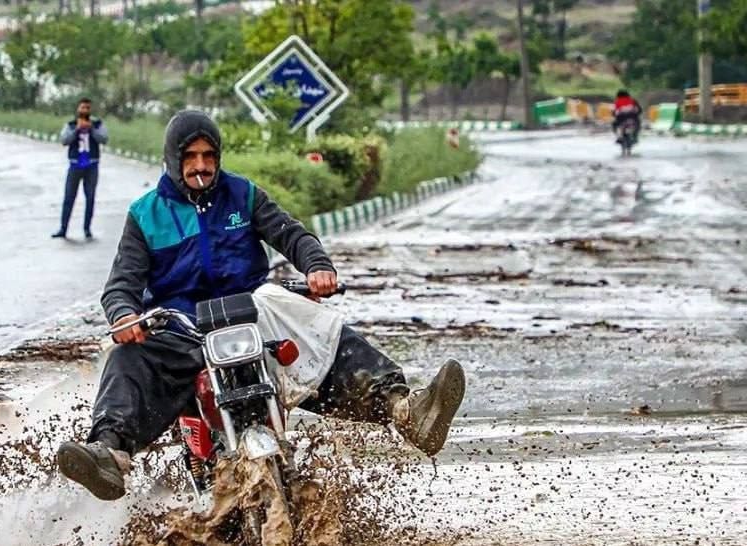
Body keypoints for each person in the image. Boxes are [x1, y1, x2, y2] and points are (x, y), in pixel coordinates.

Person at [55, 110, 467, 501]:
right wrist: (125, 315)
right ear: (172, 159)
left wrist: (317, 266)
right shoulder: (146, 214)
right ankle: (108, 453)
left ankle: (406, 411)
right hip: (183, 330)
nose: (201, 165)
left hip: (251, 315)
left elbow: (292, 235)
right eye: (191, 157)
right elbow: (120, 285)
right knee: (126, 356)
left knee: (316, 326)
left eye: (209, 156)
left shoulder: (244, 194)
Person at [53, 98, 108, 240]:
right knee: (69, 197)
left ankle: (87, 229)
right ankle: (63, 228)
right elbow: (64, 140)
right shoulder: (70, 125)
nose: (85, 110)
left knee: (90, 197)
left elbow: (104, 139)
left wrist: (92, 130)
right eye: (82, 107)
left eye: (87, 108)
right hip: (75, 165)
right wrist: (77, 130)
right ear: (78, 109)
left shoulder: (97, 124)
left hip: (91, 165)